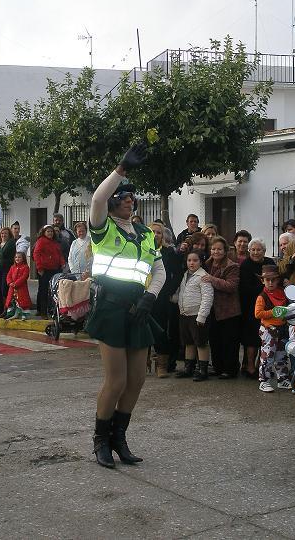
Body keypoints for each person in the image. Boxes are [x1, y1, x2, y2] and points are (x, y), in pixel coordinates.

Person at [85, 143, 165, 469]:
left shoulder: (146, 234)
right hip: (111, 308)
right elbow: (97, 199)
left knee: (137, 381)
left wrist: (151, 296)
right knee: (115, 381)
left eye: (132, 198)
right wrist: (120, 169)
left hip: (138, 307)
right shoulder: (102, 229)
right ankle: (100, 440)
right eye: (123, 197)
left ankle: (120, 438)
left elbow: (158, 269)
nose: (128, 201)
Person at [172, 250, 214, 381]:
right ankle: (188, 368)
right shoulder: (184, 275)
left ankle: (203, 370)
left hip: (197, 316)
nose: (191, 263)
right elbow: (181, 292)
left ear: (200, 262)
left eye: (195, 260)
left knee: (201, 343)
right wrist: (174, 299)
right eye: (189, 260)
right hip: (184, 314)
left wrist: (202, 316)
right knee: (188, 342)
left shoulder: (203, 276)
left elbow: (208, 297)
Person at [203, 235, 241, 379]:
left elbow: (231, 286)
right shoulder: (207, 264)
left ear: (225, 251)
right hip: (212, 309)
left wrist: (212, 279)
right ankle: (218, 367)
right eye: (213, 249)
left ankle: (230, 369)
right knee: (214, 340)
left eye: (219, 249)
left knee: (229, 342)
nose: (215, 252)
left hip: (228, 311)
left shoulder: (232, 266)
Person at [238, 238, 276, 377]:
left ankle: (262, 366)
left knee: (266, 338)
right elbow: (245, 288)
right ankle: (249, 367)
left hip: (269, 305)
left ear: (264, 251)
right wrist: (263, 287)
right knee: (251, 339)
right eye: (252, 250)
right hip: (250, 306)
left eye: (258, 249)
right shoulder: (246, 265)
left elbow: (275, 280)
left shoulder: (270, 263)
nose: (255, 252)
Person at [148, 220, 178, 378]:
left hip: (161, 297)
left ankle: (162, 365)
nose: (155, 235)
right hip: (142, 295)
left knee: (160, 331)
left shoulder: (168, 252)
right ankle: (142, 363)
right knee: (142, 329)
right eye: (152, 231)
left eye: (158, 232)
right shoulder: (141, 250)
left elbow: (177, 274)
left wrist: (168, 291)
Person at [255, 265, 288, 392]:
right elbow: (258, 314)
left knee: (282, 356)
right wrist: (273, 312)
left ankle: (283, 379)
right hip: (269, 330)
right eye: (267, 279)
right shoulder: (262, 296)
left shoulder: (282, 293)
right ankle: (264, 381)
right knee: (267, 356)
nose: (270, 282)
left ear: (278, 280)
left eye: (273, 279)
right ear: (262, 280)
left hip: (282, 329)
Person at [33, 225, 64, 317]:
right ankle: (42, 311)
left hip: (55, 269)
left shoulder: (55, 242)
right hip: (44, 270)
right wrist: (39, 268)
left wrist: (62, 263)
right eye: (48, 231)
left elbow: (59, 254)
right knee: (43, 290)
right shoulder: (41, 241)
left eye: (51, 231)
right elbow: (36, 254)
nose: (50, 233)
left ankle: (50, 310)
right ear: (44, 232)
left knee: (53, 291)